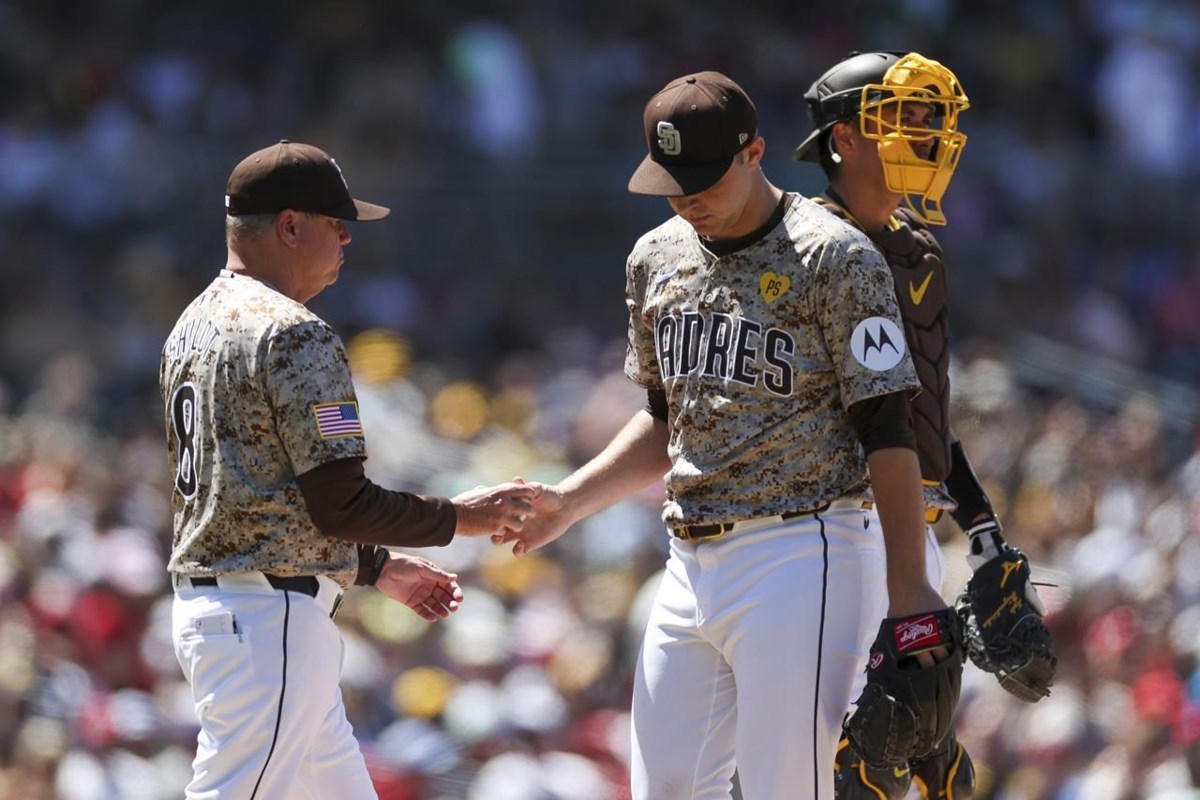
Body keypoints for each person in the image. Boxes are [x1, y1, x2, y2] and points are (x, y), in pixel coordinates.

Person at [492, 72, 954, 799]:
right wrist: (571, 501)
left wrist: (911, 590)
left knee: (787, 789)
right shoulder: (656, 257)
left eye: (702, 179)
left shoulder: (835, 257)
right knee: (667, 788)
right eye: (672, 182)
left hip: (806, 550)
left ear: (754, 153)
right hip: (688, 559)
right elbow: (664, 417)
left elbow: (888, 428)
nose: (686, 199)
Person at [160, 139, 536, 799]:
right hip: (267, 617)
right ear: (289, 226)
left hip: (234, 605)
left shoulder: (190, 327)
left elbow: (258, 497)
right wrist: (459, 518)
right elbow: (341, 500)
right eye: (337, 225)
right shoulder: (295, 332)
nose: (345, 241)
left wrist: (378, 567)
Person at [792, 51, 1056, 799]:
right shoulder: (803, 246)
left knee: (935, 770)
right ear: (846, 135)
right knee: (841, 770)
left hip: (911, 537)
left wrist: (984, 533)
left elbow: (923, 421)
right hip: (828, 536)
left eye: (931, 116)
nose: (926, 132)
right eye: (903, 116)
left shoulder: (921, 250)